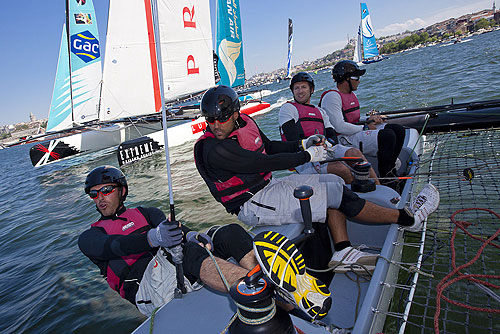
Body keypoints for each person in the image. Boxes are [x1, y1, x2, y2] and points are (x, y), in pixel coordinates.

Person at [194, 85, 440, 274]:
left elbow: (269, 147)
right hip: (252, 203)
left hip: (269, 187)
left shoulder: (246, 122)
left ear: (236, 113)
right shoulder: (213, 149)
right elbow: (258, 163)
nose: (215, 125)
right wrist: (306, 155)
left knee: (333, 182)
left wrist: (302, 143)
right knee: (334, 194)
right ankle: (408, 219)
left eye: (221, 119)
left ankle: (342, 252)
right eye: (210, 120)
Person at [78, 165, 332, 321]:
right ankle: (272, 292)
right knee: (183, 252)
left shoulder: (146, 212)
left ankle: (280, 287)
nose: (100, 198)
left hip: (174, 265)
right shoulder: (90, 236)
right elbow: (114, 247)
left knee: (228, 232)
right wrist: (152, 238)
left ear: (122, 190)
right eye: (94, 194)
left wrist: (191, 234)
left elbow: (177, 230)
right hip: (150, 289)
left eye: (106, 190)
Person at [278, 72, 379, 184]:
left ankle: (379, 188)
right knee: (341, 169)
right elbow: (292, 138)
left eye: (303, 87)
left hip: (325, 149)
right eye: (296, 88)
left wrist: (326, 144)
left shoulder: (320, 111)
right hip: (304, 158)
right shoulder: (288, 108)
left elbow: (332, 136)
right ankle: (356, 195)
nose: (300, 91)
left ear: (311, 90)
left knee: (355, 154)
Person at [319, 60, 406, 179]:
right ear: (347, 79)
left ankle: (391, 168)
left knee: (398, 130)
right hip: (344, 138)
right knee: (387, 136)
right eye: (357, 77)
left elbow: (353, 119)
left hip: (353, 131)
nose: (359, 81)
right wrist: (365, 126)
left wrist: (370, 119)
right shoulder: (332, 97)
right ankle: (386, 178)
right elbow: (339, 126)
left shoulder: (350, 94)